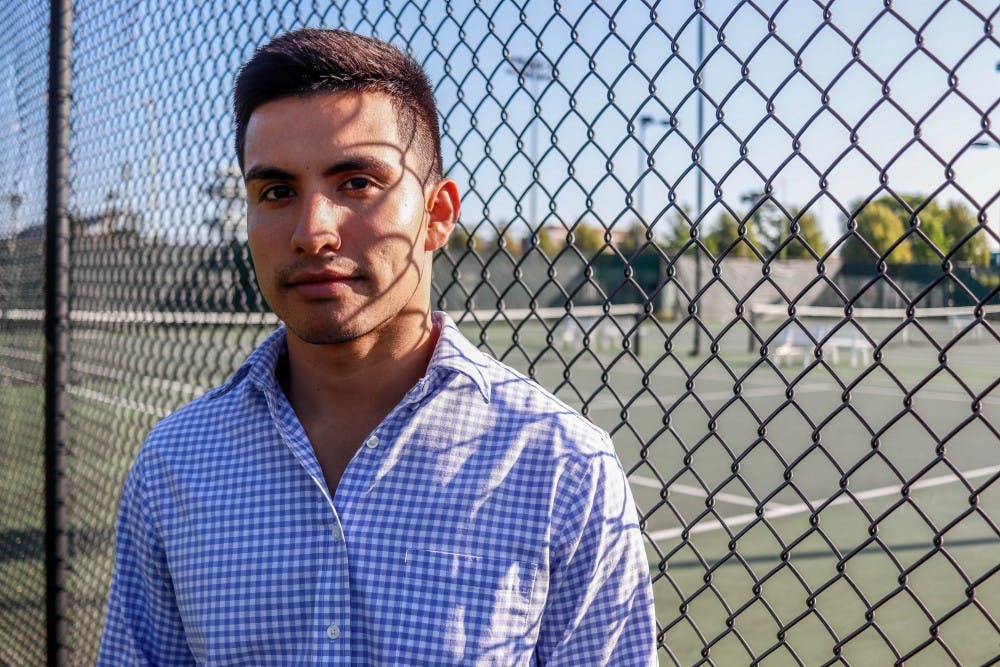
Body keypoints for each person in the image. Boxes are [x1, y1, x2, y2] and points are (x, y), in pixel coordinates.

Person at [98, 28, 656, 665]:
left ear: (437, 216)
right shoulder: (174, 464)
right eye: (276, 191)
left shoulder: (563, 468)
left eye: (357, 182)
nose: (312, 232)